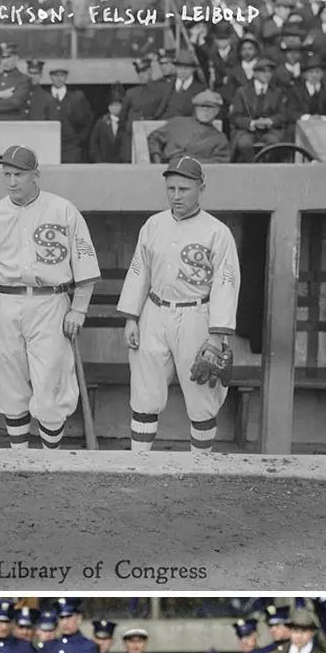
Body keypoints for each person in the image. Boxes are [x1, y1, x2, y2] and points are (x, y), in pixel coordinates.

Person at [0, 146, 100, 450]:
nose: (12, 181)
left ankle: (49, 458)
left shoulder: (63, 210)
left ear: (36, 175)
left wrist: (79, 309)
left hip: (50, 301)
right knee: (7, 377)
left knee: (51, 379)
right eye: (7, 175)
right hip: (4, 301)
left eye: (19, 174)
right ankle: (19, 456)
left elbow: (84, 259)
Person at [119, 155, 240, 453]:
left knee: (202, 397)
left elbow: (226, 283)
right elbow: (139, 271)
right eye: (171, 188)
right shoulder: (153, 225)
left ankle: (200, 468)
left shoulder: (217, 232)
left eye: (183, 189)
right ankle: (140, 464)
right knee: (145, 390)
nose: (176, 195)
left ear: (201, 187)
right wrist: (131, 317)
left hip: (196, 313)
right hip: (154, 311)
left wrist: (216, 336)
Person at [147, 89, 232, 164]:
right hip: (164, 170)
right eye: (202, 106)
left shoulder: (220, 139)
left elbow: (219, 164)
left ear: (217, 111)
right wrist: (156, 157)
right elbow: (154, 138)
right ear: (195, 108)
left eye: (210, 107)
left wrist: (190, 163)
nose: (205, 110)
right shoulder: (177, 123)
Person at [229, 55, 286, 160]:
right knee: (244, 144)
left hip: (270, 130)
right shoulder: (242, 92)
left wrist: (270, 121)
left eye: (269, 72)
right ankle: (253, 167)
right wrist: (252, 123)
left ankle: (266, 168)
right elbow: (234, 117)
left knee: (275, 143)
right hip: (246, 130)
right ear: (254, 73)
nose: (267, 74)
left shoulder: (277, 92)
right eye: (263, 71)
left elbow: (283, 115)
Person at [42, 66, 93, 162]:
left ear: (66, 77)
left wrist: (80, 139)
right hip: (49, 144)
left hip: (72, 146)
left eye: (62, 75)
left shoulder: (76, 97)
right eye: (56, 75)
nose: (59, 78)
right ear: (51, 77)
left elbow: (88, 120)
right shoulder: (44, 96)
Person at [88, 86, 129, 163]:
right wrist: (99, 161)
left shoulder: (127, 123)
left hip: (123, 165)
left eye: (118, 104)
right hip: (103, 164)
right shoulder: (101, 122)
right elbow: (93, 143)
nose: (115, 107)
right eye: (113, 104)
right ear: (109, 106)